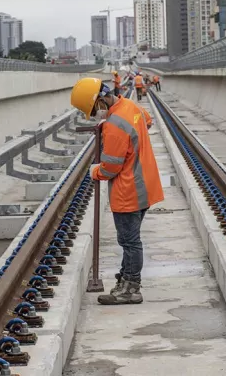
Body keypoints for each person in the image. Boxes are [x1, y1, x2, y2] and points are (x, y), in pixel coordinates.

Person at [70, 77, 163, 305]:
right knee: (131, 240)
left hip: (128, 190)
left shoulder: (114, 125)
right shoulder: (131, 107)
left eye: (94, 110)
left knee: (130, 242)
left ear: (101, 101)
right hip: (145, 184)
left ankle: (130, 289)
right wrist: (110, 123)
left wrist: (95, 171)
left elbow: (110, 167)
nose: (95, 115)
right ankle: (125, 281)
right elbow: (146, 122)